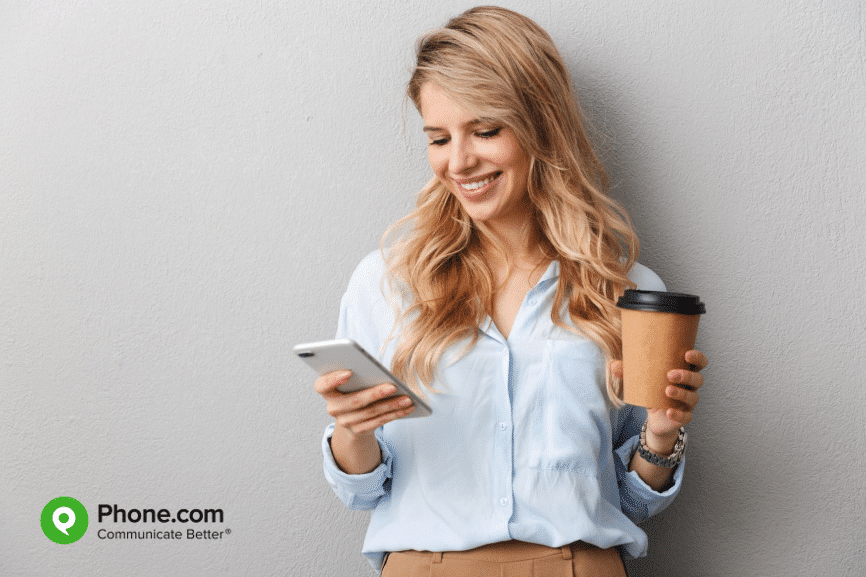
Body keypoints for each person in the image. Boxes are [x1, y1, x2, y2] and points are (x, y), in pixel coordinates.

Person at [315, 6, 707, 576]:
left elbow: (636, 500)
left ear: (541, 124)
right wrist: (354, 429)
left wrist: (662, 434)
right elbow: (361, 492)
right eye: (438, 137)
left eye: (486, 130)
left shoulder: (627, 293)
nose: (459, 161)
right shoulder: (386, 284)